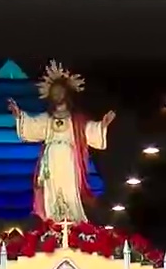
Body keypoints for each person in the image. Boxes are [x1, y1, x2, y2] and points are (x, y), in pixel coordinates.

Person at [7, 61, 115, 224]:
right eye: (54, 93)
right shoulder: (47, 118)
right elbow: (32, 126)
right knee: (51, 190)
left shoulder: (76, 120)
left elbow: (89, 131)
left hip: (69, 160)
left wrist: (103, 125)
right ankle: (52, 222)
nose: (57, 96)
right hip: (51, 160)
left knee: (69, 190)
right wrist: (19, 115)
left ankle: (73, 223)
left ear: (67, 93)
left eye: (60, 92)